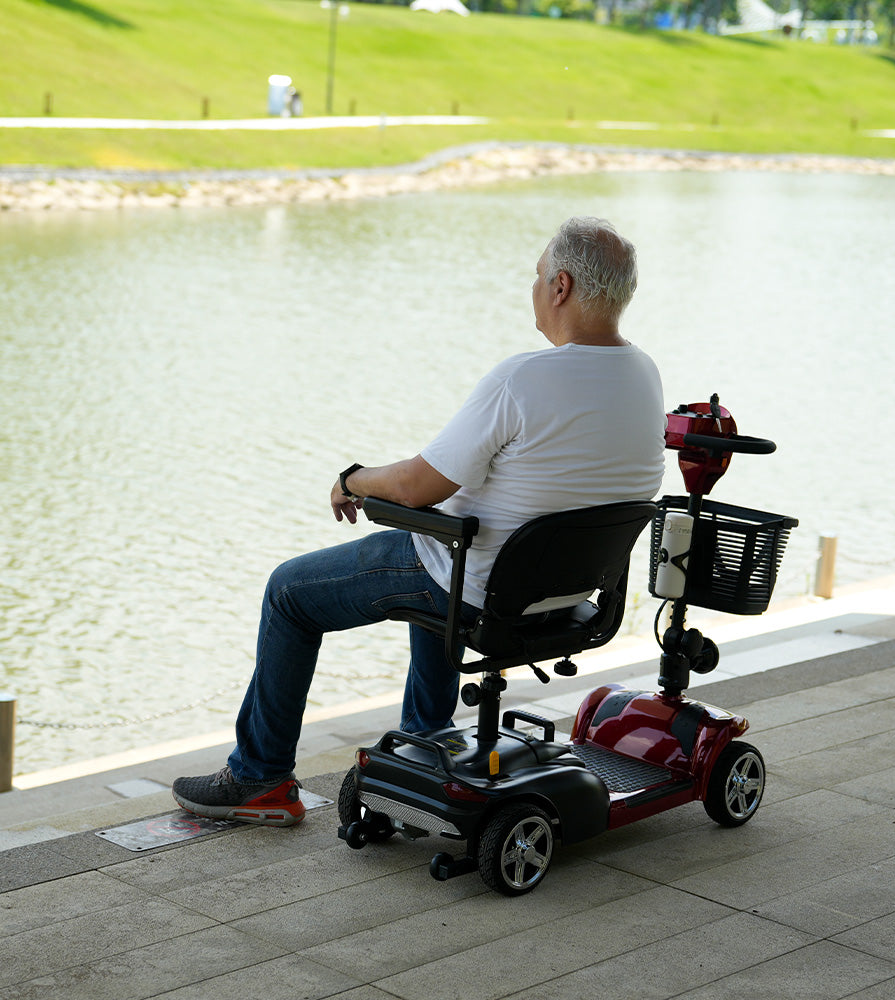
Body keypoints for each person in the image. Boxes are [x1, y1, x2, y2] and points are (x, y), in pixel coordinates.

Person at [172, 217, 666, 827]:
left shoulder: (523, 378)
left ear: (560, 286)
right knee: (441, 553)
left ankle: (258, 777)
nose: (533, 288)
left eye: (537, 276)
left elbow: (415, 485)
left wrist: (354, 480)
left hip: (481, 585)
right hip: (564, 593)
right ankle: (427, 737)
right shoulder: (644, 375)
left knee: (291, 592)